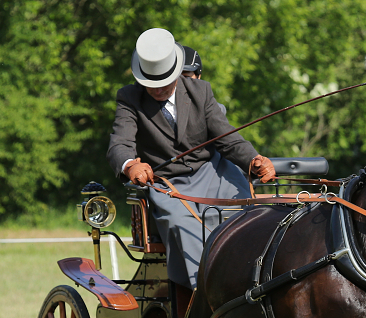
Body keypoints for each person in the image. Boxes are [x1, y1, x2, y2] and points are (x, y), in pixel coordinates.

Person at [106, 28, 275, 298]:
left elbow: (226, 138)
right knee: (178, 221)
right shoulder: (129, 98)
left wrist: (253, 159)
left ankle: (252, 282)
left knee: (247, 212)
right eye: (152, 83)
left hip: (212, 173)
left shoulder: (201, 91)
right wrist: (130, 165)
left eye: (165, 81)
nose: (159, 88)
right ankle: (205, 293)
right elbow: (119, 143)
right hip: (166, 183)